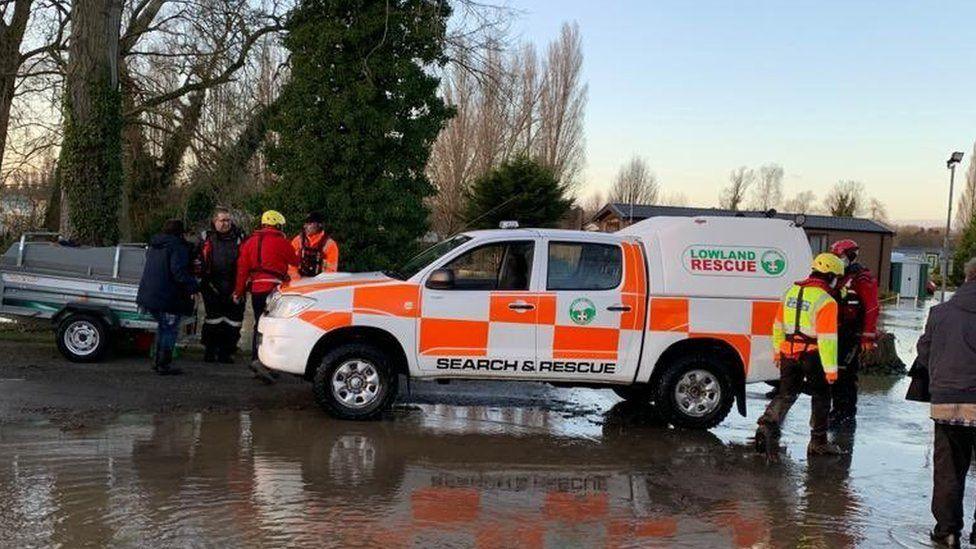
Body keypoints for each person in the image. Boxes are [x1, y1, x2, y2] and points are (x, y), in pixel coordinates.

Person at [755, 253, 846, 459]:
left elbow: (778, 325)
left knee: (786, 393)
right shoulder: (826, 300)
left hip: (789, 352)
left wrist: (778, 351)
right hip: (812, 355)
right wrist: (831, 371)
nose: (838, 282)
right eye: (837, 277)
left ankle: (767, 423)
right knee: (822, 396)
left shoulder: (791, 292)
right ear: (830, 275)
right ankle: (818, 442)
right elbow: (827, 340)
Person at [917, 258, 976, 548]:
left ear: (967, 278)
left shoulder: (940, 313)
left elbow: (924, 352)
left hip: (948, 402)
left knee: (949, 470)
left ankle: (948, 531)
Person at [233, 210, 298, 370]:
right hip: (274, 289)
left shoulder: (249, 242)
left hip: (256, 290)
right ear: (277, 225)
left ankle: (256, 357)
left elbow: (242, 270)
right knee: (273, 326)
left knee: (258, 323)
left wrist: (238, 292)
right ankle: (268, 362)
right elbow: (295, 261)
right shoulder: (282, 242)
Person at [828, 239, 880, 426]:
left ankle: (846, 412)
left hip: (852, 333)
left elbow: (871, 308)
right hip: (835, 332)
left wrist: (867, 336)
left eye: (839, 256)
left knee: (846, 375)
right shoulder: (835, 277)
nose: (837, 259)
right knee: (834, 373)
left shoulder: (861, 278)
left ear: (850, 256)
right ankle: (837, 410)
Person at [137, 219, 199, 375]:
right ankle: (164, 364)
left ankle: (158, 362)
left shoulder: (155, 245)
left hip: (150, 294)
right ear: (180, 232)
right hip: (168, 296)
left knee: (163, 328)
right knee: (169, 330)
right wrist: (193, 285)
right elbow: (178, 272)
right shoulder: (177, 247)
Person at [196, 207, 245, 363]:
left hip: (234, 285)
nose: (226, 224)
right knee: (213, 319)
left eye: (228, 220)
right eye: (222, 220)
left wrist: (241, 286)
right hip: (211, 285)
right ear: (214, 221)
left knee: (233, 321)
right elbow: (197, 260)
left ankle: (227, 352)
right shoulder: (206, 238)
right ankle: (210, 350)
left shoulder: (240, 237)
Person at [289, 211, 339, 279]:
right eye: (305, 223)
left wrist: (317, 282)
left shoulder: (330, 244)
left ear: (319, 225)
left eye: (309, 223)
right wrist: (296, 279)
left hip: (319, 284)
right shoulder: (298, 241)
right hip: (299, 282)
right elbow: (291, 265)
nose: (305, 226)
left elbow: (331, 270)